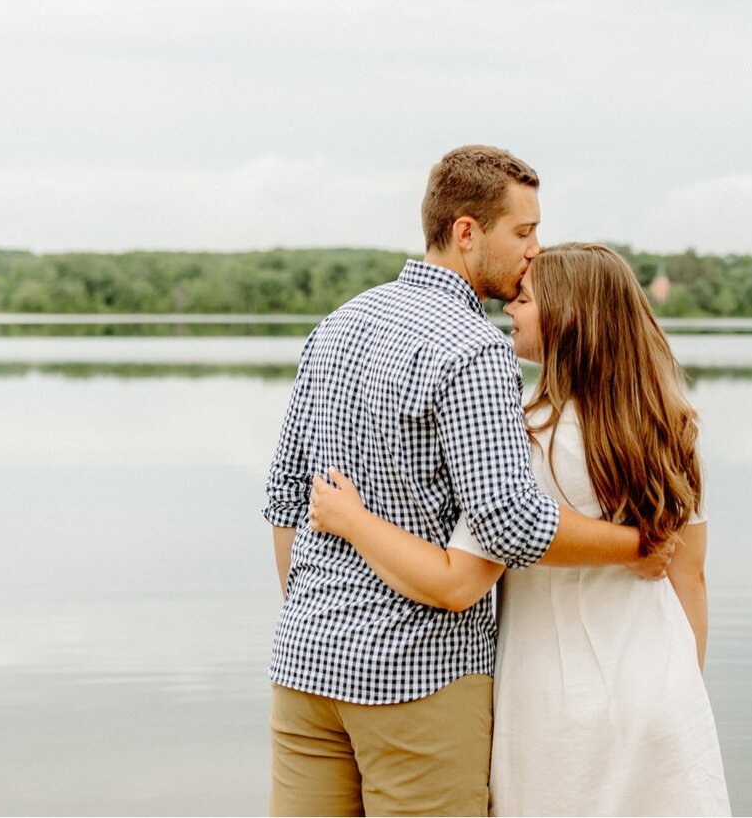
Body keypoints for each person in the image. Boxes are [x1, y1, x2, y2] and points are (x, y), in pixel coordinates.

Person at [262, 146, 669, 817]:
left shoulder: (335, 326)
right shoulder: (472, 348)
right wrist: (637, 544)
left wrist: (320, 620)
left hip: (305, 667)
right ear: (466, 232)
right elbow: (510, 521)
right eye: (524, 230)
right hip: (416, 680)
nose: (535, 251)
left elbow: (284, 501)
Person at [311, 242, 729, 817]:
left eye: (526, 299)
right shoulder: (673, 428)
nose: (510, 308)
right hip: (663, 695)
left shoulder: (522, 439)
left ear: (567, 318)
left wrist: (352, 521)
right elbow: (692, 577)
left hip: (552, 705)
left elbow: (456, 582)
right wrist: (681, 684)